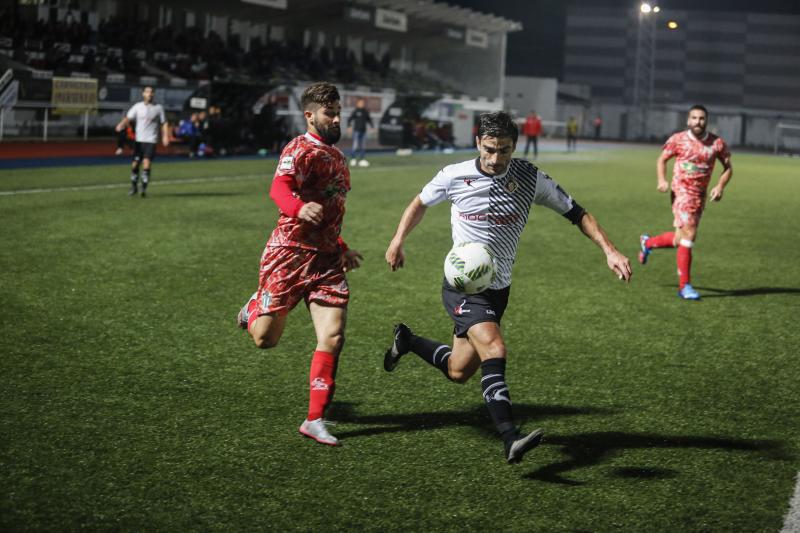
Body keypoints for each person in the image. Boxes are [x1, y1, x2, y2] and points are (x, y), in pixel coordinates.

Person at [383, 111, 632, 463]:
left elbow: (578, 213)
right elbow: (419, 203)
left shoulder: (530, 178)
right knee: (495, 349)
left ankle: (407, 341)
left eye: (504, 150)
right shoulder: (454, 175)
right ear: (477, 143)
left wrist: (610, 250)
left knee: (459, 370)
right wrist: (398, 240)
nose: (496, 158)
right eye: (489, 149)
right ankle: (510, 437)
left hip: (498, 289)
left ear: (514, 147)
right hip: (463, 285)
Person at [236, 82, 363, 446]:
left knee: (333, 336)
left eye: (338, 111)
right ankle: (254, 308)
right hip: (289, 251)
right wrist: (297, 207)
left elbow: (330, 212)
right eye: (329, 113)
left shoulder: (338, 158)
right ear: (309, 115)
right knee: (265, 340)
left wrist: (341, 245)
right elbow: (278, 188)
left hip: (325, 259)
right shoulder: (299, 147)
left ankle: (315, 419)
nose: (337, 118)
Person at [639, 104, 733, 300]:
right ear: (688, 120)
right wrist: (661, 180)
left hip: (700, 195)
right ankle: (685, 286)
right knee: (689, 234)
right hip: (680, 192)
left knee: (679, 239)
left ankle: (648, 243)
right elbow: (661, 160)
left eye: (701, 118)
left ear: (706, 121)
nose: (697, 121)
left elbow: (728, 168)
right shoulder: (678, 140)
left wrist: (720, 186)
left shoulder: (717, 144)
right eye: (694, 118)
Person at [115, 86, 170, 197]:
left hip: (151, 140)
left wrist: (165, 136)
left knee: (146, 163)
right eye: (147, 92)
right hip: (139, 141)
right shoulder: (137, 107)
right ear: (143, 94)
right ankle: (134, 187)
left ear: (153, 94)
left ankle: (143, 189)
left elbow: (164, 122)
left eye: (151, 92)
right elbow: (128, 118)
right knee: (135, 164)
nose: (150, 94)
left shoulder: (159, 108)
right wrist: (121, 124)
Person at [347, 98, 374, 167]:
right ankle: (353, 159)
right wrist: (349, 126)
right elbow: (350, 119)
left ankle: (362, 159)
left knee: (363, 146)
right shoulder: (355, 111)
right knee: (355, 146)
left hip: (363, 131)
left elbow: (369, 119)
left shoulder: (365, 111)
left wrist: (372, 127)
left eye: (363, 103)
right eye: (360, 103)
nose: (362, 104)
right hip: (356, 131)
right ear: (358, 103)